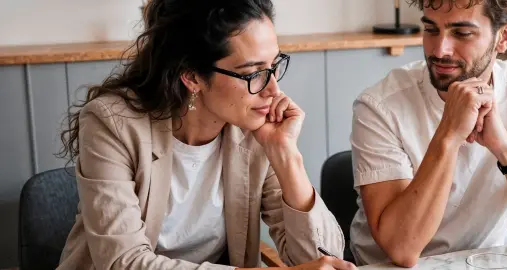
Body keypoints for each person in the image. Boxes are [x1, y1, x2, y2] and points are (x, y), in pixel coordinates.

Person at [55, 0, 355, 269]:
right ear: (192, 76)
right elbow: (123, 261)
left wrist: (287, 154)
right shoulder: (112, 122)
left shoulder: (254, 128)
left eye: (274, 66)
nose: (273, 89)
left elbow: (324, 258)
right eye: (253, 73)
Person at [349, 0, 507, 267]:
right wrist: (448, 136)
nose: (440, 50)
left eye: (461, 33)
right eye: (431, 30)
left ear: (504, 36)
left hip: (487, 261)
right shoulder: (379, 105)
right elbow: (402, 249)